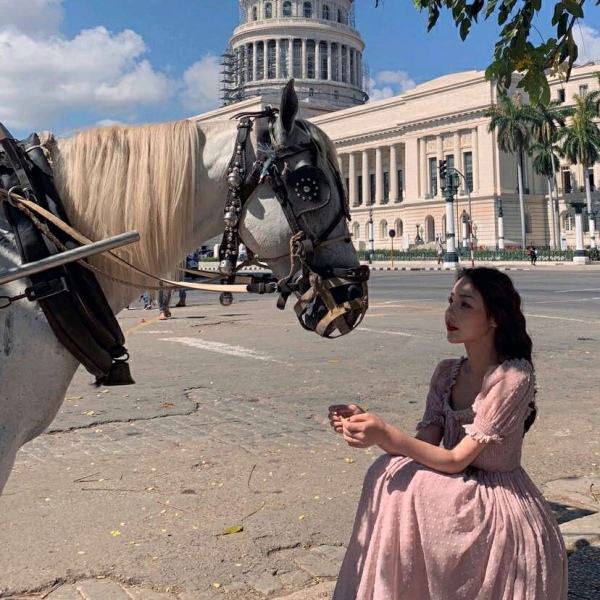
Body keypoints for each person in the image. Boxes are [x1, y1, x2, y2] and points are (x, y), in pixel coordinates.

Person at [328, 267, 567, 600]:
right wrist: (370, 429)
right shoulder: (446, 373)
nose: (450, 313)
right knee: (385, 471)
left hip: (494, 496)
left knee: (407, 485)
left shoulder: (513, 377)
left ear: (494, 317)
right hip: (456, 484)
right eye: (450, 301)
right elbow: (424, 444)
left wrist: (384, 432)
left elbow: (456, 459)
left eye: (465, 305)